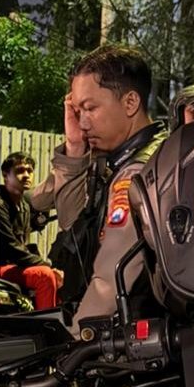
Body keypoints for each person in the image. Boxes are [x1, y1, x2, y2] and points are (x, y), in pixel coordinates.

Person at [32, 44, 166, 328]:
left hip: (128, 328)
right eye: (77, 109)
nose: (82, 122)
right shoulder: (116, 158)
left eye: (90, 108)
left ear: (130, 103)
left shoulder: (139, 171)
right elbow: (72, 224)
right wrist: (74, 147)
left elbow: (111, 278)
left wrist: (77, 338)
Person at [0, 152, 64, 310]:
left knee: (59, 275)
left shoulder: (24, 205)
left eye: (30, 171)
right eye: (20, 171)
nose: (26, 175)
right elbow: (10, 247)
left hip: (15, 264)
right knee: (45, 275)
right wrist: (45, 265)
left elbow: (21, 246)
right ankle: (44, 321)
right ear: (5, 175)